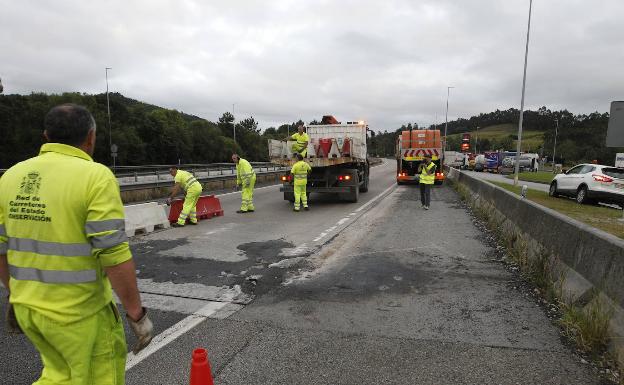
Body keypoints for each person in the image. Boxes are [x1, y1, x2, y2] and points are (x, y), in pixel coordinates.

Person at [0, 104, 152, 384]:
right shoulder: (95, 176)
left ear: (46, 136)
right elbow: (113, 253)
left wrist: (15, 293)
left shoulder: (10, 177)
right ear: (91, 137)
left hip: (29, 310)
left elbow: (0, 248)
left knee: (60, 375)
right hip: (80, 315)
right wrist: (136, 315)